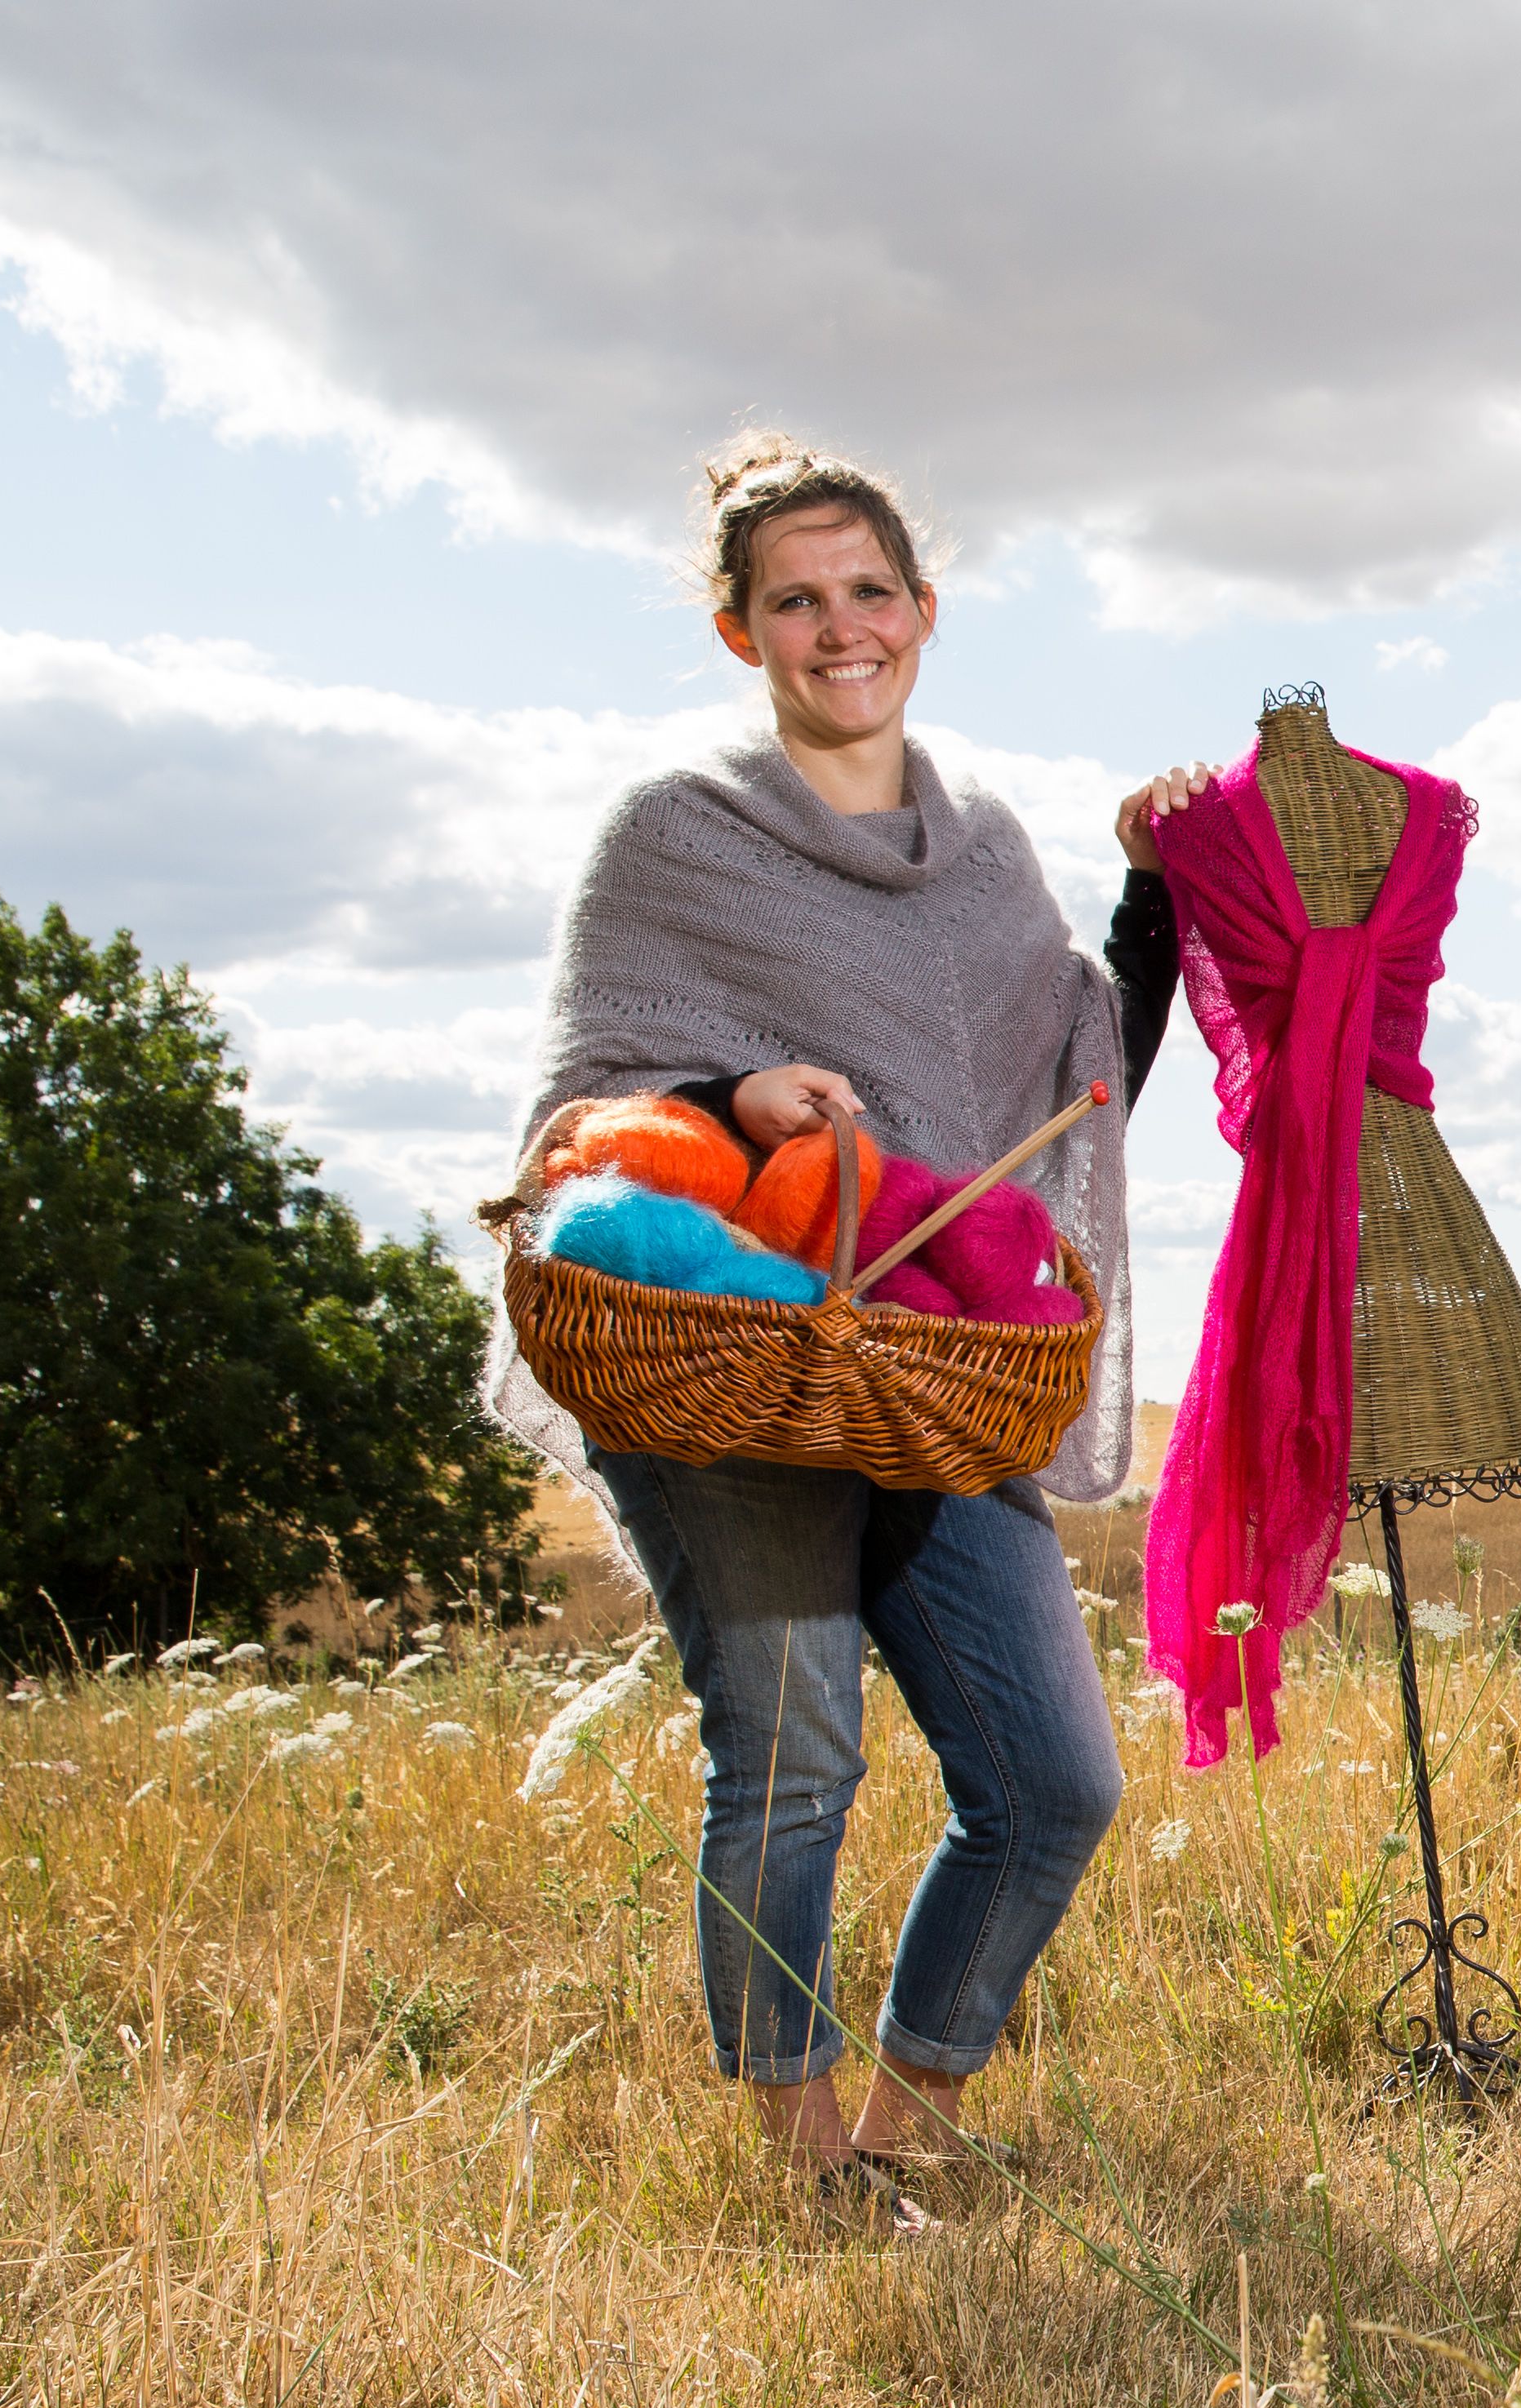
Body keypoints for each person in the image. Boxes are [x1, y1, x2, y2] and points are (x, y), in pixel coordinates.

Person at [484, 434, 1223, 2228]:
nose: (841, 630)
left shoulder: (981, 860)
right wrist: (739, 1090)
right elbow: (599, 1108)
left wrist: (1157, 892)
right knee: (797, 1744)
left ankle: (915, 2110)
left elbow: (1072, 1084)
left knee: (1053, 1778)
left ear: (925, 611)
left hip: (927, 1376)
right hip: (734, 1365)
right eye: (796, 602)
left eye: (868, 592)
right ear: (741, 632)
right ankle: (804, 2158)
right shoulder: (678, 837)